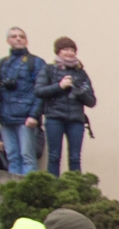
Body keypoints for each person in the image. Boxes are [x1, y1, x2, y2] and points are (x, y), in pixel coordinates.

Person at [33, 37, 95, 175]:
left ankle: (76, 187)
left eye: (72, 50)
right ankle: (53, 187)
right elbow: (39, 91)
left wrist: (79, 92)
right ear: (58, 51)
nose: (69, 53)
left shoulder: (81, 73)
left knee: (75, 157)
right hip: (54, 118)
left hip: (76, 120)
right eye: (65, 49)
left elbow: (92, 101)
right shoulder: (49, 70)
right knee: (54, 156)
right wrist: (59, 86)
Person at [0, 27, 46, 174]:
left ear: (26, 40)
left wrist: (34, 115)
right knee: (12, 156)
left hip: (26, 116)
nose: (18, 39)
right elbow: (1, 88)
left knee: (27, 156)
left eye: (21, 36)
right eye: (14, 36)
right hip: (6, 115)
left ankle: (28, 192)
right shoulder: (3, 62)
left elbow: (40, 91)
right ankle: (14, 190)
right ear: (8, 41)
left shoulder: (35, 62)